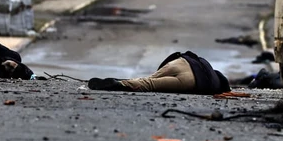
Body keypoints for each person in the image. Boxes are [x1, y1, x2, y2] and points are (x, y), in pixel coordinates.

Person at [88, 51, 231, 95]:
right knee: (149, 84)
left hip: (181, 62)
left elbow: (179, 55)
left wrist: (160, 70)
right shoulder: (213, 86)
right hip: (190, 81)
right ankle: (119, 84)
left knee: (149, 78)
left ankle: (124, 81)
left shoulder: (208, 67)